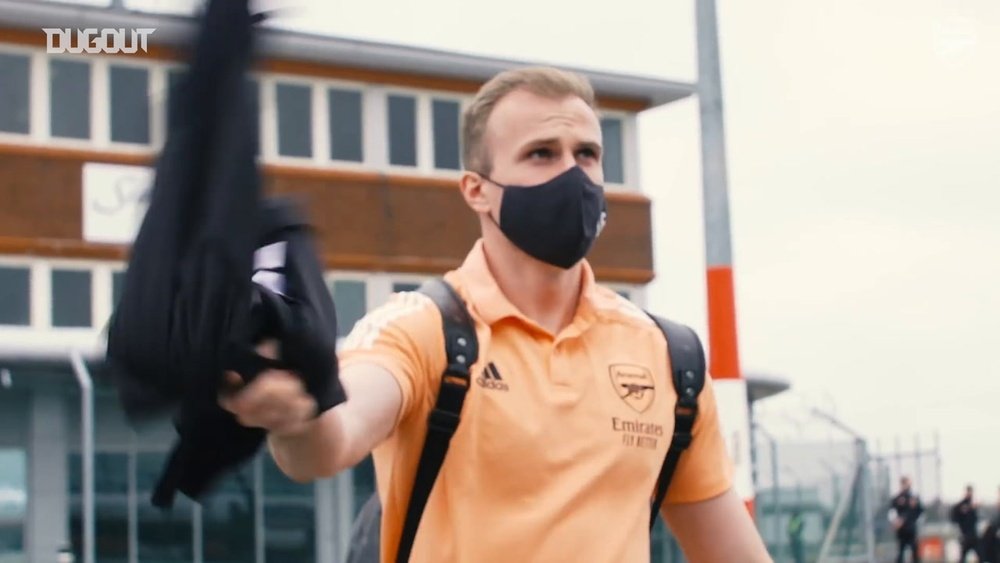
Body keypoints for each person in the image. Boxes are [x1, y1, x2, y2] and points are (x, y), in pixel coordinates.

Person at [220, 65, 771, 562]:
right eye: (542, 154)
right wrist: (294, 414)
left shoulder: (669, 358)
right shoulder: (424, 328)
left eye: (587, 154)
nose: (573, 175)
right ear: (476, 191)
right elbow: (332, 440)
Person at [890, 476, 924, 563]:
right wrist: (895, 522)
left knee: (914, 550)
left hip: (911, 528)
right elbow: (892, 511)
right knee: (901, 551)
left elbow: (920, 511)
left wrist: (915, 520)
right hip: (901, 530)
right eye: (905, 483)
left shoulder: (914, 498)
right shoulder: (897, 498)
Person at [951, 485, 980, 563]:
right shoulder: (961, 505)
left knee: (980, 554)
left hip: (973, 535)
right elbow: (954, 517)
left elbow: (975, 520)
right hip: (965, 534)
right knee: (963, 556)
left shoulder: (973, 505)